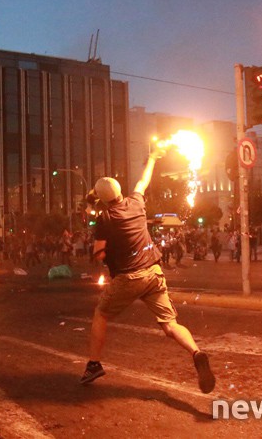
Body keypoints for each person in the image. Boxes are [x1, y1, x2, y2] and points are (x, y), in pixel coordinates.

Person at [80, 145, 216, 394]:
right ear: (120, 191)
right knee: (170, 324)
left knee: (101, 314)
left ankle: (93, 364)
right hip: (153, 272)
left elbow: (99, 252)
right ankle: (196, 352)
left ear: (102, 199)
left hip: (129, 276)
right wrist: (152, 157)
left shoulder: (105, 219)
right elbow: (143, 180)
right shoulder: (136, 202)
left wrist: (102, 249)